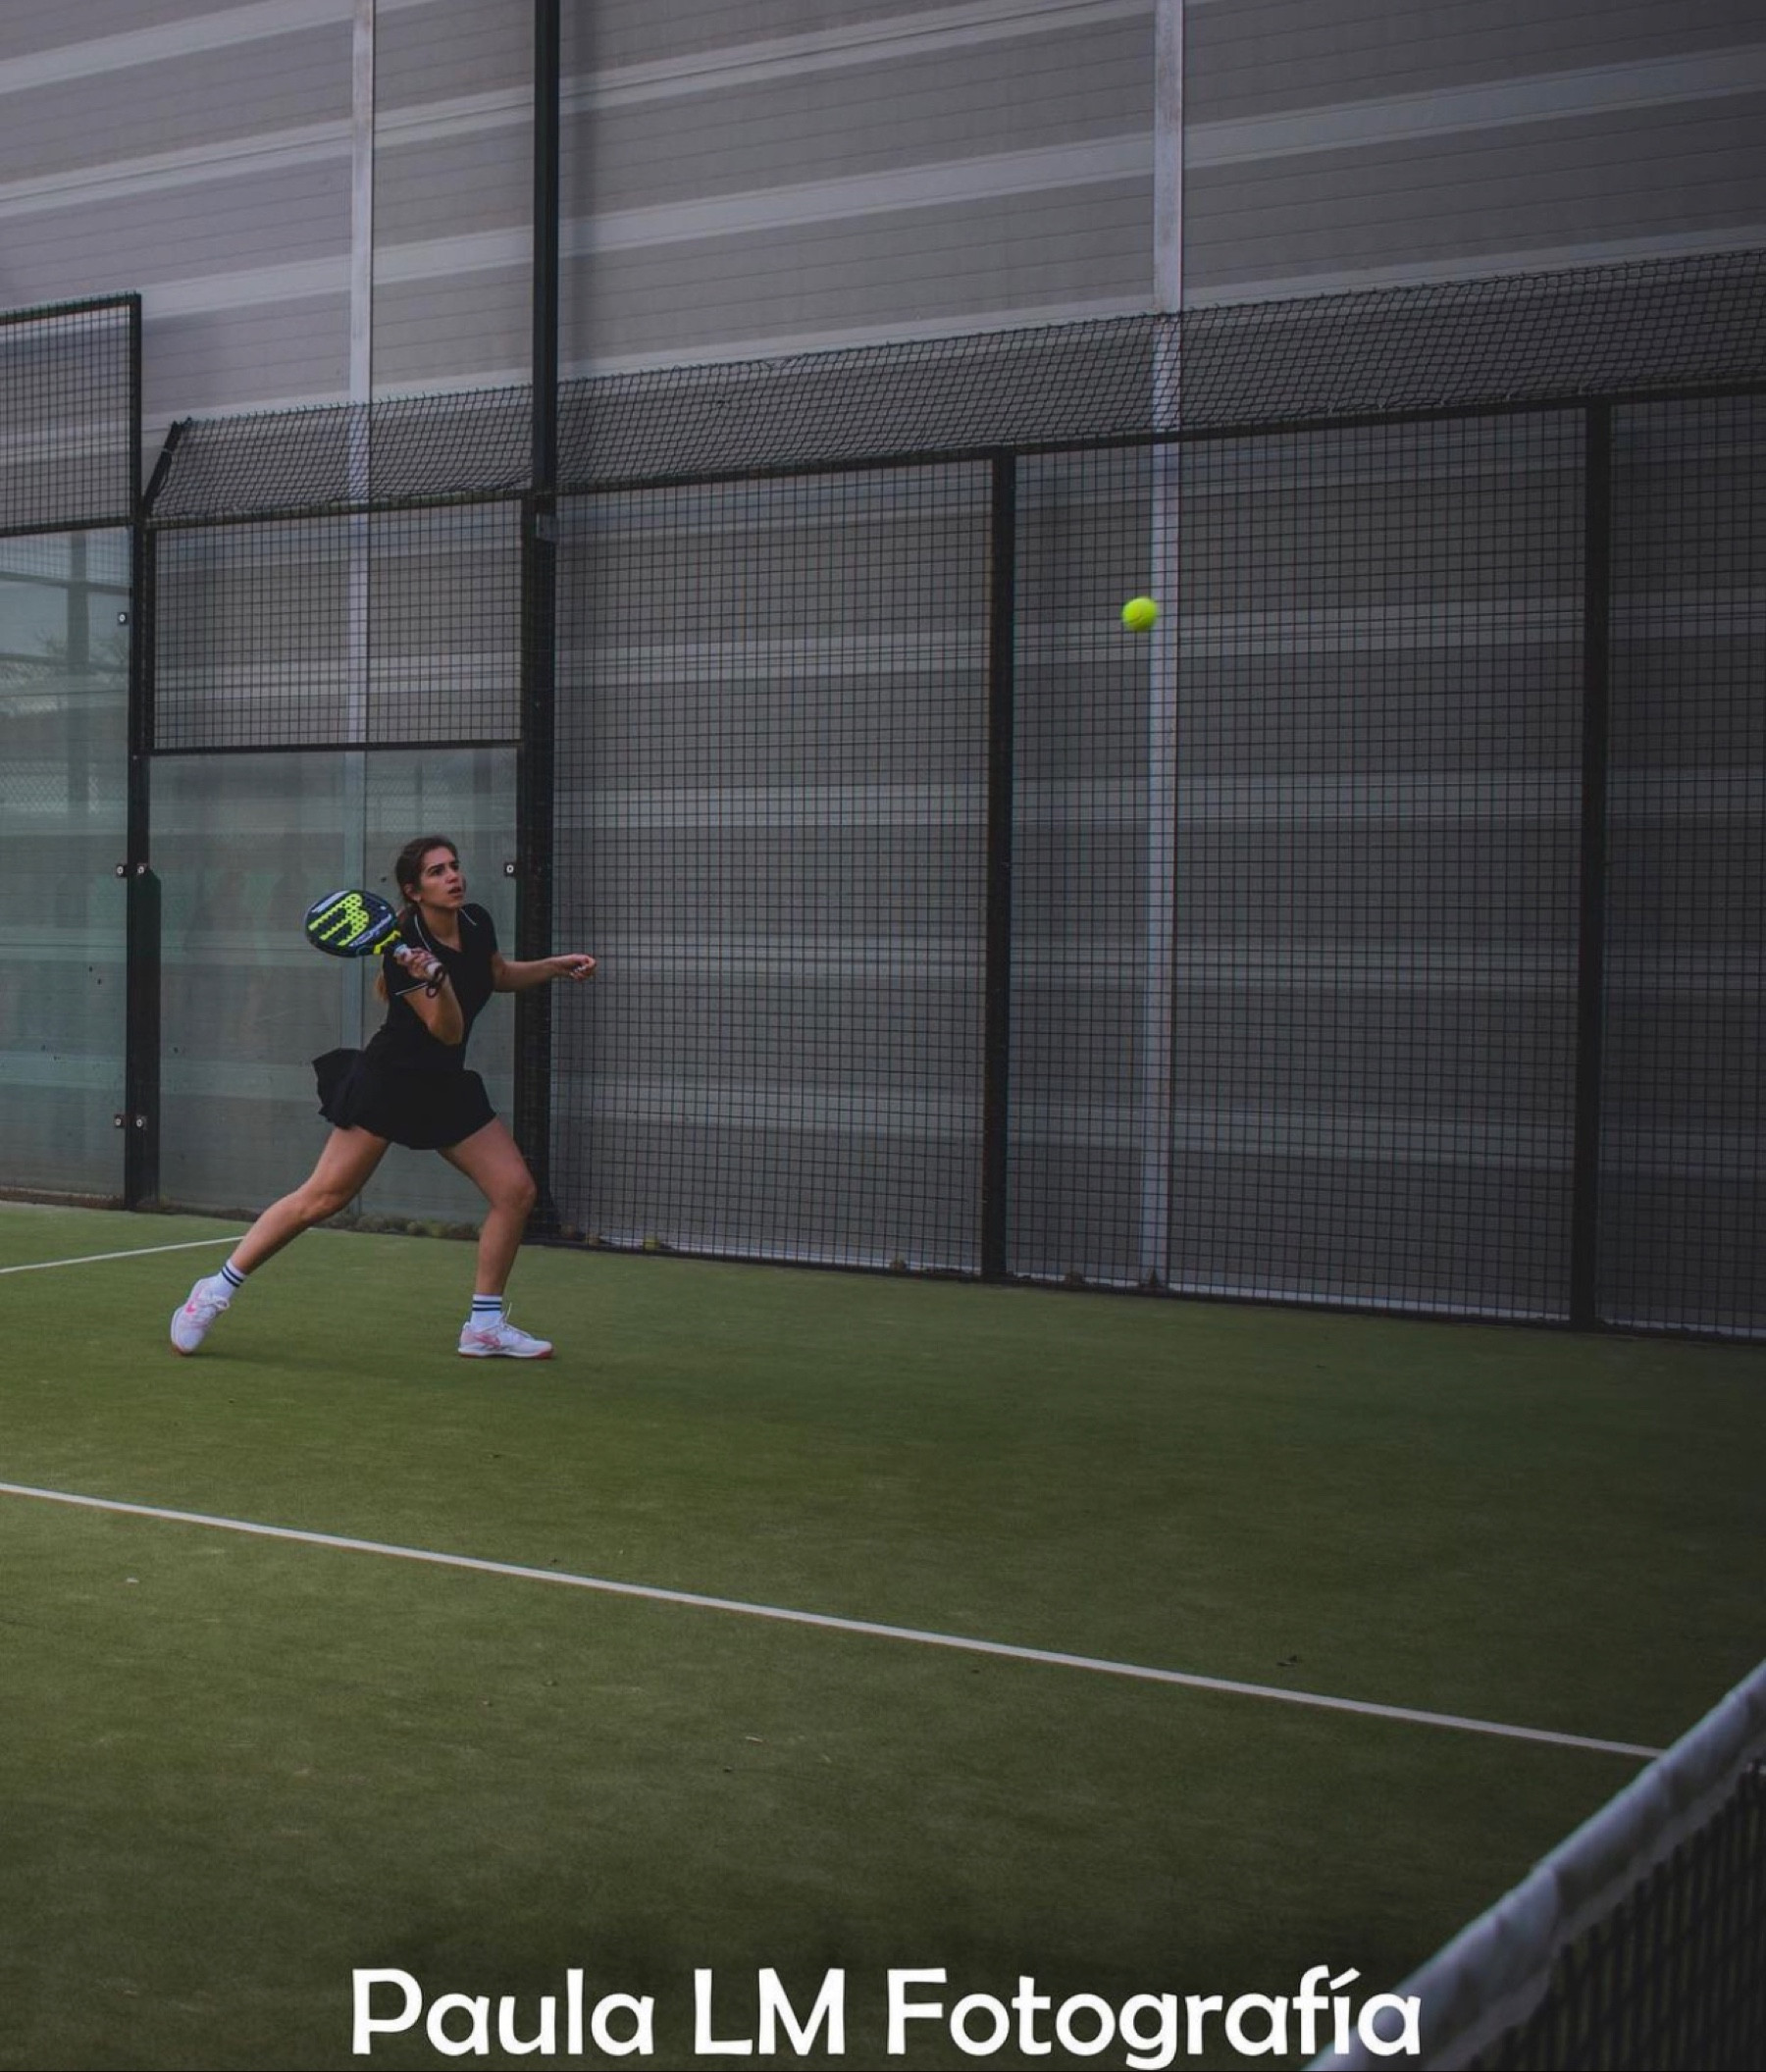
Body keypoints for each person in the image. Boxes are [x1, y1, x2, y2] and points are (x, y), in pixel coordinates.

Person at [171, 836, 596, 1361]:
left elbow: (496, 975)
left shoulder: (476, 920)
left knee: (515, 1192)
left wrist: (555, 966)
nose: (453, 877)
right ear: (414, 891)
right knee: (323, 1198)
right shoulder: (403, 953)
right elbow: (447, 1030)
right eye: (437, 872)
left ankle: (484, 1326)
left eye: (454, 866)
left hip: (444, 1084)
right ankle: (212, 1292)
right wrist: (436, 982)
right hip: (389, 1082)